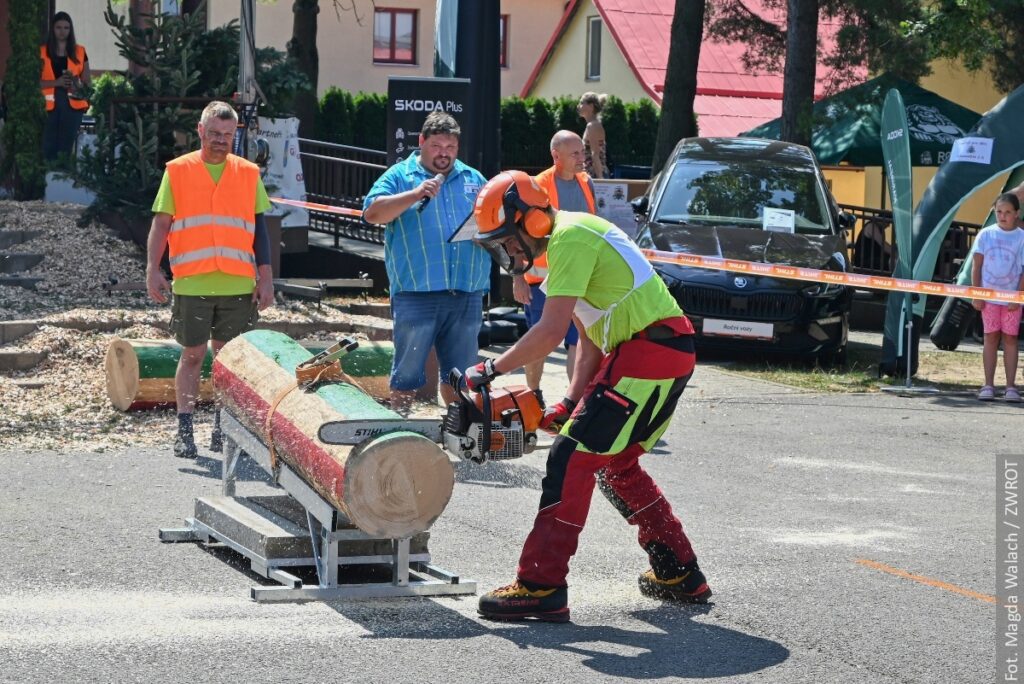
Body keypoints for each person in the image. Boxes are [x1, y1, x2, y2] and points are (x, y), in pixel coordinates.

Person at [464, 170, 710, 623]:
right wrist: (572, 400)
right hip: (658, 351)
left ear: (532, 220)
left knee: (569, 459)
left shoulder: (569, 239)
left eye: (509, 239)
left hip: (647, 351)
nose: (510, 251)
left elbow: (549, 330)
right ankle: (679, 571)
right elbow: (590, 336)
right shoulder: (570, 241)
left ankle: (541, 583)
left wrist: (489, 369)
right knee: (615, 463)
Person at [146, 101, 275, 458]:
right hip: (192, 281)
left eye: (228, 135)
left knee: (228, 359)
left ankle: (223, 427)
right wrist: (152, 269)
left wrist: (266, 278)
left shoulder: (248, 173)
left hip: (237, 283)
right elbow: (161, 223)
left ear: (236, 135)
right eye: (214, 133)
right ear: (201, 131)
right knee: (191, 355)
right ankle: (184, 429)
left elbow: (260, 230)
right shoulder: (178, 170)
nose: (221, 140)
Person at [362, 111, 490, 415]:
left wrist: (486, 235)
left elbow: (499, 224)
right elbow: (372, 214)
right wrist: (416, 194)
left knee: (460, 377)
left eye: (450, 148)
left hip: (466, 292)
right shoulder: (399, 176)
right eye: (436, 146)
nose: (444, 154)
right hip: (417, 293)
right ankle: (400, 429)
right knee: (407, 374)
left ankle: (461, 437)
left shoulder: (474, 179)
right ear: (421, 142)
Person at [512, 130, 596, 404]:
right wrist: (518, 278)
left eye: (582, 152)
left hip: (580, 280)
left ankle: (576, 404)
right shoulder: (536, 187)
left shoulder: (587, 183)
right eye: (576, 153)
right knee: (539, 345)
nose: (582, 158)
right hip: (542, 284)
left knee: (579, 342)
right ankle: (533, 397)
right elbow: (517, 235)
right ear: (556, 156)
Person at [972, 192, 1024, 402]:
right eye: (999, 212)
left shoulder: (1021, 237)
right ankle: (988, 385)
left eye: (1007, 212)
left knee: (1010, 339)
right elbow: (977, 266)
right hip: (989, 299)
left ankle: (1011, 387)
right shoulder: (985, 234)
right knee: (990, 337)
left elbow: (1023, 270)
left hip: (1012, 300)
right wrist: (977, 294)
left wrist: (1017, 297)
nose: (1002, 216)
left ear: (1016, 214)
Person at [40, 12, 91, 161]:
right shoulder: (42, 52)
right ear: (52, 29)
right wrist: (57, 82)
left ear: (71, 30)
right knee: (47, 147)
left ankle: (63, 180)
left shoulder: (80, 51)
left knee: (66, 148)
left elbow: (87, 83)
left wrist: (78, 85)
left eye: (66, 28)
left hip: (73, 106)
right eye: (58, 27)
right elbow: (33, 82)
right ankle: (47, 180)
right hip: (47, 106)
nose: (62, 31)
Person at [577, 92, 609, 179]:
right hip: (592, 175)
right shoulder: (593, 125)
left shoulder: (592, 126)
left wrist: (600, 180)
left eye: (581, 103)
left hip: (595, 175)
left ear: (591, 106)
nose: (578, 106)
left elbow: (595, 154)